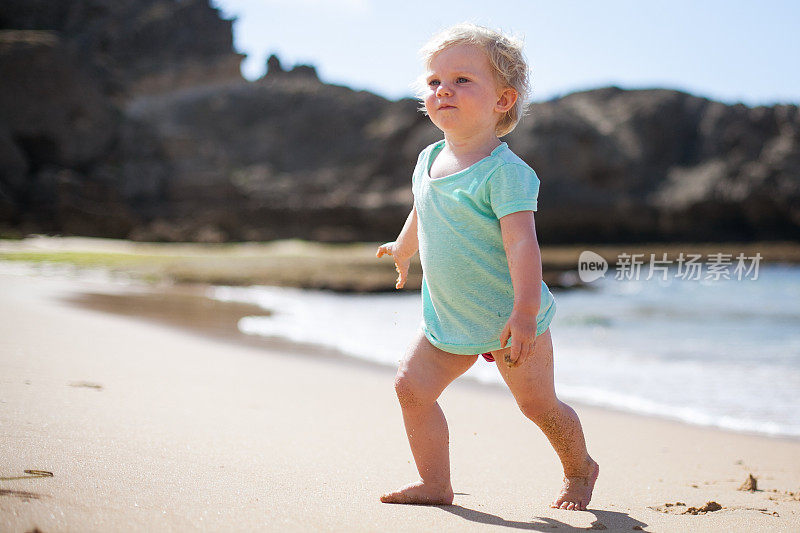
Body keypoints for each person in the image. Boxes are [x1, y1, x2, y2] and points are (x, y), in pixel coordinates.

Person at [376, 23, 598, 511]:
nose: (443, 90)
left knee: (538, 406)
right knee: (410, 388)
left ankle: (580, 469)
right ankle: (435, 483)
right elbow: (423, 206)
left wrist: (523, 312)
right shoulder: (429, 158)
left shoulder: (506, 172)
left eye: (461, 80)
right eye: (434, 82)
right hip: (449, 319)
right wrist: (403, 246)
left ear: (503, 101)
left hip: (510, 322)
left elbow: (523, 246)